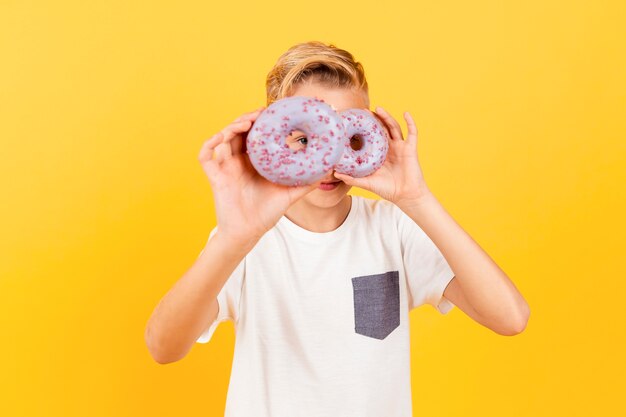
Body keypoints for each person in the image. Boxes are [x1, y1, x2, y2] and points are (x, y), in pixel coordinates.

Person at [144, 41, 530, 417]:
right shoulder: (245, 241)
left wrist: (418, 200)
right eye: (304, 139)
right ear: (275, 135)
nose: (329, 160)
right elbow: (164, 347)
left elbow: (510, 318)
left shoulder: (393, 230)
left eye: (345, 137)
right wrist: (232, 240)